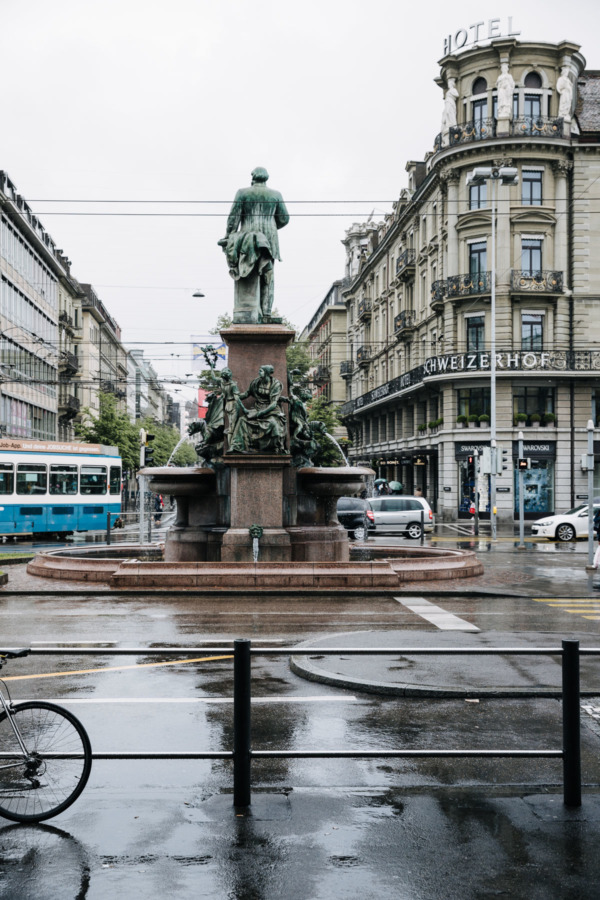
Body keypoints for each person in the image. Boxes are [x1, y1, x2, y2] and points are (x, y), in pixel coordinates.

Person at [218, 167, 289, 323]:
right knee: (267, 275)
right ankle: (266, 313)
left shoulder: (242, 193)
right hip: (269, 239)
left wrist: (229, 236)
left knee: (247, 271)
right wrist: (269, 223)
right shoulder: (276, 195)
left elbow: (233, 218)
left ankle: (248, 311)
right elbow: (284, 219)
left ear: (253, 178)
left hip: (246, 237)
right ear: (266, 178)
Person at [230, 365, 287, 454]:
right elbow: (247, 394)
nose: (258, 372)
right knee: (242, 420)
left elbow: (274, 403)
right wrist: (236, 396)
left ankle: (277, 448)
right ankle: (236, 446)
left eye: (261, 371)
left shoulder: (276, 384)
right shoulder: (255, 382)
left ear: (267, 373)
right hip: (258, 407)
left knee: (274, 423)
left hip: (271, 410)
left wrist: (260, 414)